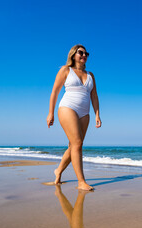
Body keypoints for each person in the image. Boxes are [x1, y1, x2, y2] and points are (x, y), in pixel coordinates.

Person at [47, 44, 101, 191]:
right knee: (77, 143)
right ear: (73, 54)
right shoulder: (65, 70)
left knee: (73, 146)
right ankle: (81, 182)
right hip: (67, 108)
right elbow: (55, 92)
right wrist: (50, 113)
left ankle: (58, 171)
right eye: (81, 52)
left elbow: (94, 96)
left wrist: (97, 114)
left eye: (86, 53)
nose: (84, 55)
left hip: (85, 113)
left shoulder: (91, 75)